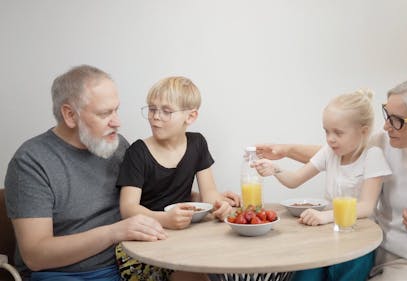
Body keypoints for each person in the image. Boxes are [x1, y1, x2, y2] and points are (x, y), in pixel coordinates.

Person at [256, 75, 407, 281]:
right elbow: (339, 154)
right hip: (369, 252)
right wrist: (285, 151)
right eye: (386, 115)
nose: (385, 127)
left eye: (396, 121)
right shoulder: (387, 143)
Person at [4, 65, 167, 281]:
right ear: (70, 115)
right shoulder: (31, 162)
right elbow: (36, 255)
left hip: (132, 262)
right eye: (104, 113)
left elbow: (148, 198)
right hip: (66, 274)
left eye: (116, 110)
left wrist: (202, 203)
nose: (117, 122)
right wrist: (114, 232)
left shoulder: (117, 146)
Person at [254, 90, 391, 281]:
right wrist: (275, 169)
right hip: (328, 235)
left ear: (364, 131)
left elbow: (366, 207)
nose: (330, 138)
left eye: (338, 132)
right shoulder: (330, 153)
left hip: (358, 241)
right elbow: (294, 180)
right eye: (326, 131)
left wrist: (325, 216)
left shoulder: (373, 156)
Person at [115, 76, 236, 281]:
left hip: (183, 238)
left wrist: (220, 206)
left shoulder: (197, 144)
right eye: (152, 109)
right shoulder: (138, 152)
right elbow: (128, 209)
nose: (155, 117)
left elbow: (209, 195)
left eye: (166, 111)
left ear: (190, 117)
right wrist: (166, 220)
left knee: (223, 260)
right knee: (194, 275)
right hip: (144, 243)